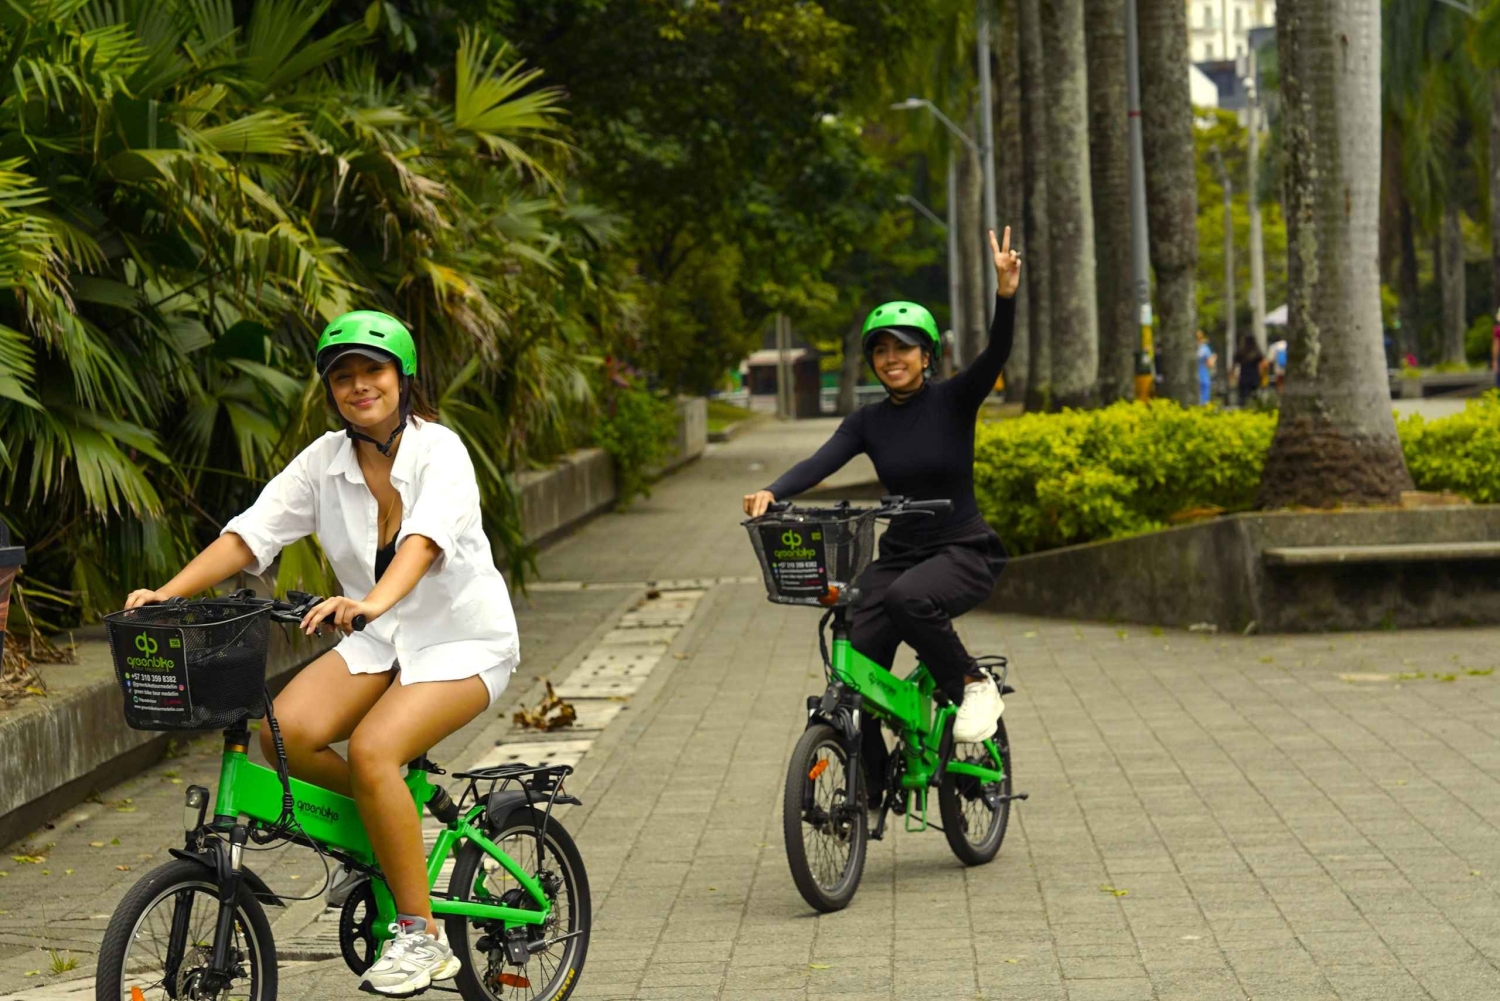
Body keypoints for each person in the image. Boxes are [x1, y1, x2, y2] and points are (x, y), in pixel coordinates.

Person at [124, 311, 520, 997]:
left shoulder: (441, 452)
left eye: (373, 370)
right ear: (330, 390)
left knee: (373, 750)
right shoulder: (324, 462)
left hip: (462, 642)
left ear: (403, 377)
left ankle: (422, 937)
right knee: (284, 732)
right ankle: (383, 840)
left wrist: (370, 601)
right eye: (343, 376)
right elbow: (250, 535)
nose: (359, 385)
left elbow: (423, 542)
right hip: (380, 641)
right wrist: (166, 592)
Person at [743, 225, 1022, 779]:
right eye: (881, 349)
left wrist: (1006, 294)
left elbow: (996, 353)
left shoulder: (954, 400)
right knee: (852, 668)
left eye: (903, 348)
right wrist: (773, 491)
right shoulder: (867, 421)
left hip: (962, 550)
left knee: (908, 599)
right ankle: (867, 787)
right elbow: (821, 462)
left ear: (927, 355)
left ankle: (972, 683)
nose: (891, 358)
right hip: (898, 555)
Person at [1231, 334, 1266, 407]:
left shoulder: (1241, 351)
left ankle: (1243, 409)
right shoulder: (1257, 352)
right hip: (1254, 376)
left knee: (1243, 397)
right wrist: (1262, 375)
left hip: (1244, 376)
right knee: (1254, 396)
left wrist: (1233, 375)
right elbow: (1263, 364)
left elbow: (1234, 364)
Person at [1195, 330, 1217, 405]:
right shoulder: (1205, 349)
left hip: (1192, 375)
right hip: (1202, 374)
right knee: (1204, 399)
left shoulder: (1189, 349)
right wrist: (1214, 358)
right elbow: (1210, 364)